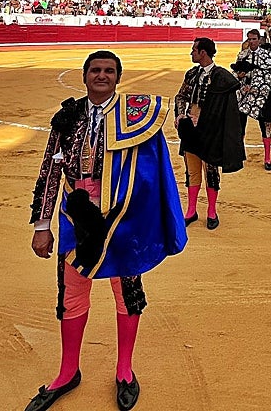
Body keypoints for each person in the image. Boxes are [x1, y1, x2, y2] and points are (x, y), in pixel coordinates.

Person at [25, 50, 186, 411]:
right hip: (75, 216)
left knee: (127, 292)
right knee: (71, 293)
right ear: (84, 77)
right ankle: (68, 371)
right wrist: (41, 225)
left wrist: (149, 219)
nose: (102, 76)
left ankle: (125, 369)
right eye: (95, 70)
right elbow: (50, 171)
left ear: (118, 77)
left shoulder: (136, 118)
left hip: (121, 217)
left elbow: (153, 172)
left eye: (109, 71)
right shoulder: (67, 118)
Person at [173, 37, 247, 231]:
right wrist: (181, 113)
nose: (191, 53)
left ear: (203, 52)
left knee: (212, 172)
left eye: (194, 50)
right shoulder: (191, 75)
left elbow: (228, 108)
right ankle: (191, 211)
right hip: (191, 129)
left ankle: (212, 211)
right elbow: (181, 96)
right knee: (192, 170)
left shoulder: (221, 77)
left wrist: (205, 119)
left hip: (212, 130)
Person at [236, 29, 271, 171]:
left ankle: (267, 158)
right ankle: (240, 156)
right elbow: (236, 74)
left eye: (254, 39)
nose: (251, 42)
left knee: (266, 127)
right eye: (249, 39)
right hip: (245, 95)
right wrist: (240, 76)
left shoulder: (269, 56)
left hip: (263, 95)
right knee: (240, 127)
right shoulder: (242, 55)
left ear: (259, 39)